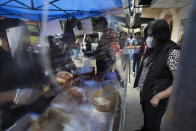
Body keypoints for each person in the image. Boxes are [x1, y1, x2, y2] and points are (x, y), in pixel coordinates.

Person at [133, 19, 180, 131]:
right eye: (147, 35)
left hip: (157, 99)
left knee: (154, 124)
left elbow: (179, 83)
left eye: (151, 36)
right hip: (146, 94)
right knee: (148, 120)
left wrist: (159, 96)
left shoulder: (173, 52)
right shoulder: (153, 49)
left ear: (161, 35)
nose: (148, 39)